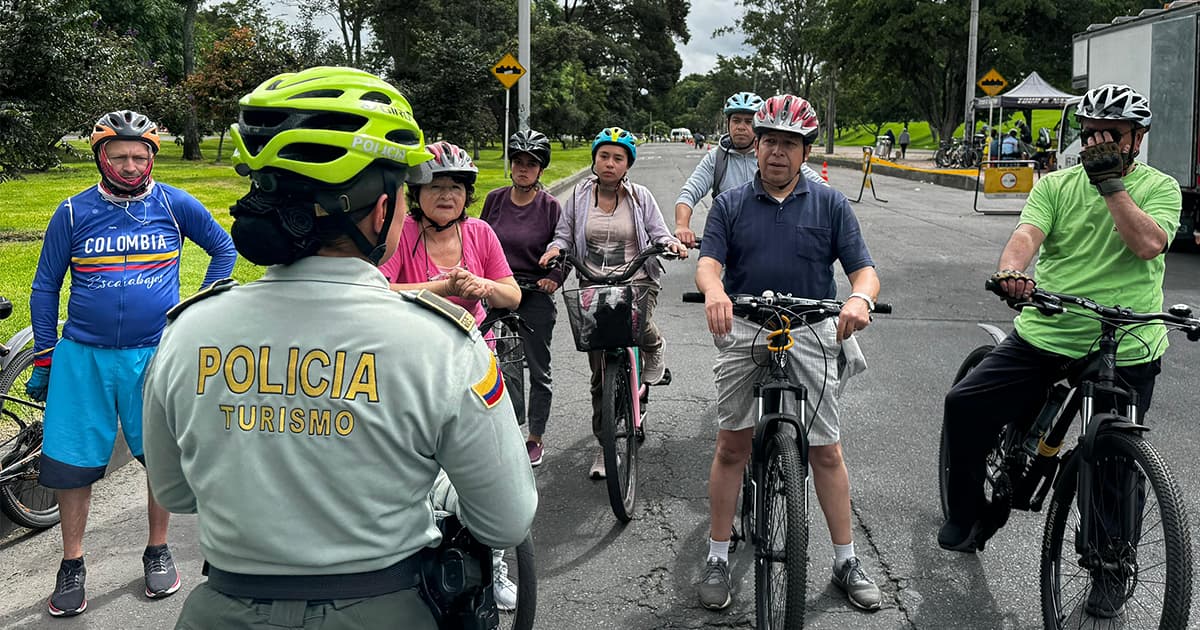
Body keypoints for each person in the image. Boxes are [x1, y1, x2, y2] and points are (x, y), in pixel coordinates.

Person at [142, 66, 538, 629]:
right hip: (386, 608)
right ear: (381, 211)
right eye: (406, 194)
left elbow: (177, 493)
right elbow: (507, 518)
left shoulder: (187, 332)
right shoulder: (442, 343)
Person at [940, 84, 1180, 619]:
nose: (1100, 143)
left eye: (1113, 135)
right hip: (1051, 331)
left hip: (1130, 341)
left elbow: (1147, 244)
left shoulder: (1160, 187)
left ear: (1136, 140)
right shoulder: (1057, 185)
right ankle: (966, 509)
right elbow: (1027, 235)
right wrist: (1011, 271)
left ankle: (1110, 568)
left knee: (1118, 463)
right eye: (1092, 133)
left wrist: (1112, 185)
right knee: (965, 404)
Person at [26, 110, 237, 618]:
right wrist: (43, 354)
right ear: (100, 157)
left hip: (152, 354)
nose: (128, 165)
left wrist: (192, 313)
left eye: (139, 156)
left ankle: (157, 549)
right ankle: (72, 563)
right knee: (72, 467)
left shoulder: (173, 203)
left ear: (151, 158)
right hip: (83, 356)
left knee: (159, 461)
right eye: (117, 155)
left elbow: (223, 250)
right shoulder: (72, 212)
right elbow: (45, 286)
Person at [694, 94, 883, 612]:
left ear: (804, 152)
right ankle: (715, 554)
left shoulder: (830, 202)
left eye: (789, 144)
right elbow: (709, 264)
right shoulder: (731, 204)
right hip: (748, 326)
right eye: (769, 141)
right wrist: (715, 292)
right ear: (755, 146)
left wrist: (860, 298)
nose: (777, 152)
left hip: (810, 329)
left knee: (826, 449)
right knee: (732, 445)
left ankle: (845, 559)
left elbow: (862, 269)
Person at [538, 127, 687, 479]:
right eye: (604, 156)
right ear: (594, 159)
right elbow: (563, 233)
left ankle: (655, 346)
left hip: (636, 280)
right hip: (592, 283)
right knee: (599, 374)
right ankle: (605, 448)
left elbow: (657, 231)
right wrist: (555, 249)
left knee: (639, 327)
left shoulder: (641, 197)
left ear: (627, 164)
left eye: (618, 158)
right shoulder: (577, 196)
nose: (609, 163)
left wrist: (671, 245)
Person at [480, 129, 564, 467]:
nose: (523, 169)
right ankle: (511, 431)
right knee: (503, 368)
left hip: (533, 294)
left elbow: (563, 249)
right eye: (518, 162)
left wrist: (552, 278)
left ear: (541, 170)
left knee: (538, 371)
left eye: (531, 164)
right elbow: (479, 240)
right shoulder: (495, 200)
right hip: (498, 292)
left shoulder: (550, 207)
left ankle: (535, 438)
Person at [378, 140, 521, 325]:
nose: (446, 196)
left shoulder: (480, 232)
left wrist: (484, 285)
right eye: (435, 186)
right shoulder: (400, 231)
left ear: (466, 194)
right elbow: (379, 291)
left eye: (455, 187)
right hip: (415, 340)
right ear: (417, 193)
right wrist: (446, 288)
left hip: (476, 342)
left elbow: (514, 296)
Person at [674, 91, 827, 247]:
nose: (741, 127)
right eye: (736, 120)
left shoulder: (771, 157)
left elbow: (819, 187)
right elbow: (690, 192)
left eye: (748, 122)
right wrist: (682, 226)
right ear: (728, 123)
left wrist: (835, 210)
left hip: (770, 238)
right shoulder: (716, 157)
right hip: (729, 241)